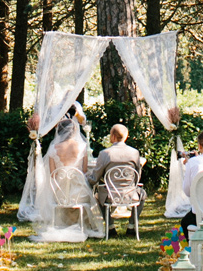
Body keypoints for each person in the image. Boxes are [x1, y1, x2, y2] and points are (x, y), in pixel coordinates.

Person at [30, 104, 106, 242]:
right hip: (78, 193)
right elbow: (83, 171)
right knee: (88, 192)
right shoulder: (82, 147)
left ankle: (63, 222)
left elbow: (53, 174)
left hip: (59, 193)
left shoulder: (53, 148)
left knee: (57, 189)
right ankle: (81, 223)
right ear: (74, 131)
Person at [86, 123, 146, 235]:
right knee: (142, 194)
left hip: (110, 196)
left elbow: (95, 178)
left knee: (97, 195)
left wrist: (86, 178)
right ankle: (132, 226)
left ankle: (110, 226)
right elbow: (137, 175)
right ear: (126, 136)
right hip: (130, 194)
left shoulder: (105, 154)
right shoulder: (134, 152)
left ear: (113, 136)